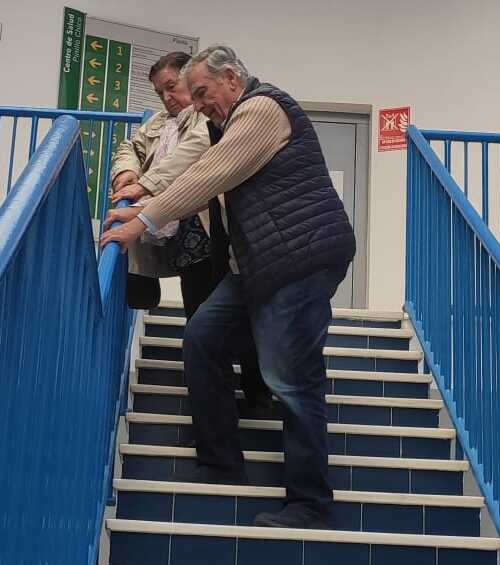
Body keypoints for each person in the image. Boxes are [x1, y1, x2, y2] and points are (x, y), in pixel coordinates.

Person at [101, 45, 356, 530]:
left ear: (233, 79)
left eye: (202, 93)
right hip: (259, 266)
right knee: (201, 339)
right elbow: (200, 174)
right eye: (192, 96)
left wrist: (140, 221)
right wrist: (142, 206)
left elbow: (209, 173)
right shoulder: (224, 120)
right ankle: (221, 463)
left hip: (299, 261)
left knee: (291, 381)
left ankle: (311, 502)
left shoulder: (262, 109)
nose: (197, 105)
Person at [108, 52, 272, 419]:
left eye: (172, 87)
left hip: (217, 232)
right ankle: (213, 401)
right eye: (160, 92)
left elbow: (192, 155)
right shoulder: (158, 124)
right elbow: (129, 147)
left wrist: (144, 186)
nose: (167, 98)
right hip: (183, 239)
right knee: (198, 316)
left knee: (238, 315)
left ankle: (256, 395)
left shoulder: (209, 118)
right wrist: (126, 173)